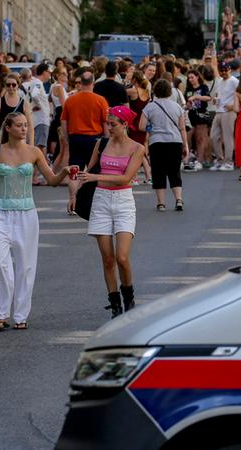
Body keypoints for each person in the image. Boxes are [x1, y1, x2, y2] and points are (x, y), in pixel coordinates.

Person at [0, 112, 68, 332]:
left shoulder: (34, 152)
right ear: (7, 128)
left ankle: (20, 315)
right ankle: (1, 314)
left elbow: (51, 180)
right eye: (19, 125)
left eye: (26, 125)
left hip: (27, 214)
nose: (23, 129)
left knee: (26, 266)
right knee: (0, 264)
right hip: (0, 212)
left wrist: (64, 172)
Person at [69, 106, 147, 316]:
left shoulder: (137, 148)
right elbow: (88, 172)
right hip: (101, 201)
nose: (109, 128)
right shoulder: (101, 144)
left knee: (122, 257)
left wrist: (97, 178)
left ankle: (129, 296)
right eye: (107, 123)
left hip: (123, 201)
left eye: (113, 124)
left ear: (125, 125)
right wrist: (74, 193)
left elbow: (126, 178)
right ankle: (115, 305)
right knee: (108, 259)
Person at [138, 79, 189, 212]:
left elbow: (141, 126)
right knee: (174, 171)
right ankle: (178, 199)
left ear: (155, 91)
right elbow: (182, 128)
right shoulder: (177, 107)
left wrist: (152, 128)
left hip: (157, 142)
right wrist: (186, 145)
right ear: (169, 91)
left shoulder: (150, 107)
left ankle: (161, 203)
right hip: (175, 141)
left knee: (158, 172)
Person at [61, 67, 109, 170]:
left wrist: (66, 139)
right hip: (95, 139)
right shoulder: (101, 100)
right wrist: (107, 139)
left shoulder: (70, 100)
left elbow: (64, 121)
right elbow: (105, 122)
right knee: (94, 171)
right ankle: (89, 186)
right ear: (93, 83)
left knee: (75, 171)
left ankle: (74, 186)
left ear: (81, 83)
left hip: (75, 138)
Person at [209, 62, 239, 171]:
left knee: (227, 137)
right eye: (222, 70)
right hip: (219, 110)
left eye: (226, 70)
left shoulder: (235, 81)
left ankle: (229, 161)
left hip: (229, 111)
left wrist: (234, 106)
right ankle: (220, 159)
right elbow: (218, 95)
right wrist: (215, 100)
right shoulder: (219, 81)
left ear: (230, 69)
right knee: (213, 136)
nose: (224, 73)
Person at [0, 74, 35, 146]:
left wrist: (31, 145)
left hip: (19, 141)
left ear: (18, 86)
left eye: (14, 85)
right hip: (3, 139)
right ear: (5, 86)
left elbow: (30, 125)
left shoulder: (24, 103)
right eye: (8, 85)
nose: (11, 87)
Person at [28, 63, 54, 182]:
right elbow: (34, 95)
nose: (50, 74)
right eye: (49, 72)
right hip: (41, 120)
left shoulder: (35, 82)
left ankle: (37, 175)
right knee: (40, 147)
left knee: (39, 147)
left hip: (39, 120)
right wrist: (38, 105)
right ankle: (37, 176)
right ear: (44, 72)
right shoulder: (38, 83)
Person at [127, 75, 153, 183]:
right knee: (141, 150)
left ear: (134, 80)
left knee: (134, 150)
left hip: (134, 123)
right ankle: (148, 176)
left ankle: (135, 177)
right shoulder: (146, 92)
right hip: (143, 122)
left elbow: (120, 91)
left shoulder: (133, 91)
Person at [184, 69, 213, 171]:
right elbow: (186, 104)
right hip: (191, 115)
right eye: (189, 78)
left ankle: (200, 160)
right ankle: (188, 158)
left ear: (197, 77)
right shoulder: (188, 89)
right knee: (187, 138)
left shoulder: (203, 87)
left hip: (201, 115)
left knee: (201, 138)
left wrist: (197, 97)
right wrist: (187, 105)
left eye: (192, 77)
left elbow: (208, 98)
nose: (190, 79)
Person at [47, 66, 70, 174]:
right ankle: (55, 172)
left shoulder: (54, 86)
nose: (66, 75)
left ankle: (54, 171)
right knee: (62, 148)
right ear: (57, 75)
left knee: (61, 149)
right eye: (63, 74)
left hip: (58, 114)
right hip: (61, 116)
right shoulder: (59, 87)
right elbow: (64, 105)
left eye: (66, 73)